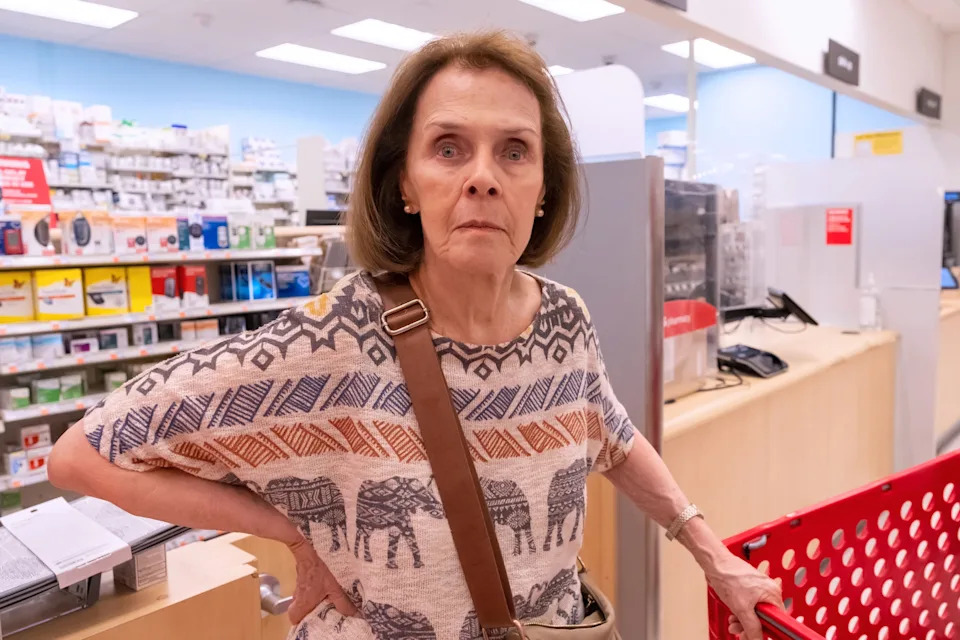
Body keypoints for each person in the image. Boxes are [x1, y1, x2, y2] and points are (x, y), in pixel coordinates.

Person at [49, 31, 779, 640]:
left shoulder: (564, 319)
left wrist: (712, 555)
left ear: (544, 188)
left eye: (514, 151)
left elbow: (610, 434)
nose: (484, 178)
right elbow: (81, 456)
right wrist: (288, 528)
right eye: (450, 149)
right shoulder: (334, 339)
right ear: (405, 182)